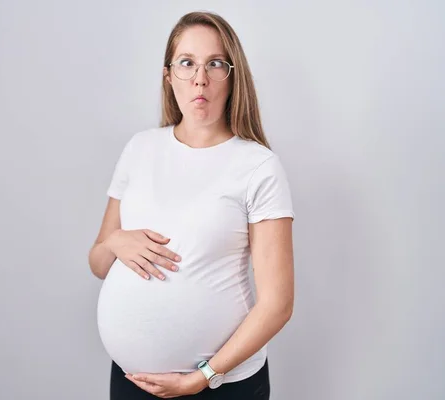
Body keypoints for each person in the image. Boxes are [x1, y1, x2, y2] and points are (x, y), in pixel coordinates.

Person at [88, 11, 295, 400]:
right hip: (132, 382)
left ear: (233, 76)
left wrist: (202, 377)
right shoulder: (140, 148)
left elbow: (278, 304)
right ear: (169, 76)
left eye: (215, 64)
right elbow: (98, 262)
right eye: (187, 63)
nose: (200, 78)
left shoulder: (258, 166)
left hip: (220, 387)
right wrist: (115, 241)